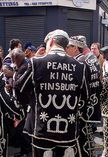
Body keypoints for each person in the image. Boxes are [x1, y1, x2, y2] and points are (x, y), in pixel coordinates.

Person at [14, 29, 89, 157]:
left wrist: (30, 103)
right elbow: (86, 96)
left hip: (42, 127)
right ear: (65, 45)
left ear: (52, 41)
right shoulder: (80, 66)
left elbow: (19, 88)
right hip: (68, 127)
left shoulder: (36, 62)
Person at [66, 36, 102, 157]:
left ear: (75, 48)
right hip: (90, 105)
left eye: (68, 46)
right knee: (87, 135)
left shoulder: (79, 63)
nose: (66, 49)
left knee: (81, 138)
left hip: (81, 108)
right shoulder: (90, 60)